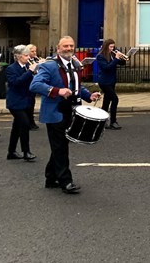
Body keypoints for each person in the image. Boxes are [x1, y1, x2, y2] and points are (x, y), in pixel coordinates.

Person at [30, 35, 101, 194]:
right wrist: (57, 91)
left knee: (60, 146)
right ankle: (66, 181)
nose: (69, 48)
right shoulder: (49, 66)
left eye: (71, 46)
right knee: (61, 147)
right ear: (58, 49)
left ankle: (50, 177)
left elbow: (75, 87)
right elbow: (35, 85)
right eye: (65, 46)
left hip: (71, 111)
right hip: (55, 112)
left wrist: (89, 96)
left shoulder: (75, 64)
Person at [5, 45, 37, 161]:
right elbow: (16, 82)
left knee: (16, 127)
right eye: (26, 55)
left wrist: (36, 71)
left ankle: (11, 152)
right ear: (18, 56)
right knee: (24, 124)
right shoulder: (11, 69)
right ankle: (26, 152)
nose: (28, 57)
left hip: (25, 101)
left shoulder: (27, 66)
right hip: (15, 102)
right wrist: (30, 71)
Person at [95, 38, 124, 130]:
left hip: (111, 81)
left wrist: (122, 57)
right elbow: (106, 67)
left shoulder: (112, 54)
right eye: (111, 47)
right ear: (106, 46)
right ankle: (113, 121)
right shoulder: (100, 56)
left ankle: (101, 122)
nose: (112, 48)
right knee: (115, 99)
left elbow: (122, 63)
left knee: (106, 102)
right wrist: (115, 59)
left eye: (113, 46)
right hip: (104, 82)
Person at [26, 44, 41, 129]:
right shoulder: (27, 61)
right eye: (32, 51)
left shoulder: (36, 59)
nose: (35, 53)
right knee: (29, 104)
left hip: (35, 83)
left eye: (35, 51)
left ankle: (31, 121)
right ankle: (29, 122)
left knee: (32, 103)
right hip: (29, 84)